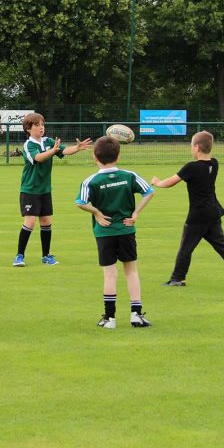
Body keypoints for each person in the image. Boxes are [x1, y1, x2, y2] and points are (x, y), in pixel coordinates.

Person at [150, 130, 224, 290]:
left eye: (192, 146)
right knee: (221, 245)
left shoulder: (191, 167)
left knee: (186, 247)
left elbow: (170, 182)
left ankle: (177, 278)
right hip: (213, 211)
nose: (191, 149)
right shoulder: (214, 163)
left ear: (197, 148)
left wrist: (157, 182)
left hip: (199, 214)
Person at [76, 136, 156, 329]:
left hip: (104, 233)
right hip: (127, 230)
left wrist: (96, 212)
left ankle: (109, 319)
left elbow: (80, 202)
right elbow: (149, 192)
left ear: (95, 157)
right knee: (131, 271)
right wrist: (135, 213)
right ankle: (136, 315)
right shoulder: (129, 176)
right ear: (118, 156)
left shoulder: (91, 181)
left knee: (110, 274)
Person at [13, 112, 91, 266]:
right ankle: (19, 256)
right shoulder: (28, 145)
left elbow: (63, 150)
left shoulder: (48, 141)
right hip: (30, 190)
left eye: (42, 124)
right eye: (37, 125)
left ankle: (46, 256)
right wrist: (53, 151)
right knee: (29, 222)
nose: (41, 128)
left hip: (45, 190)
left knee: (46, 221)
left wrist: (77, 148)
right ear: (28, 128)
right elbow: (38, 158)